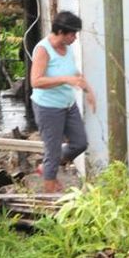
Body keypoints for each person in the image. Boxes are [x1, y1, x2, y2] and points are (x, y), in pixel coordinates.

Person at [30, 10, 96, 193]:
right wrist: (65, 80)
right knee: (52, 152)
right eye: (72, 34)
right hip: (48, 108)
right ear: (60, 32)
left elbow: (74, 73)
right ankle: (50, 196)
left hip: (68, 105)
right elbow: (35, 81)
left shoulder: (67, 49)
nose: (75, 38)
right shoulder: (43, 50)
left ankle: (46, 168)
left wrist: (88, 91)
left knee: (80, 143)